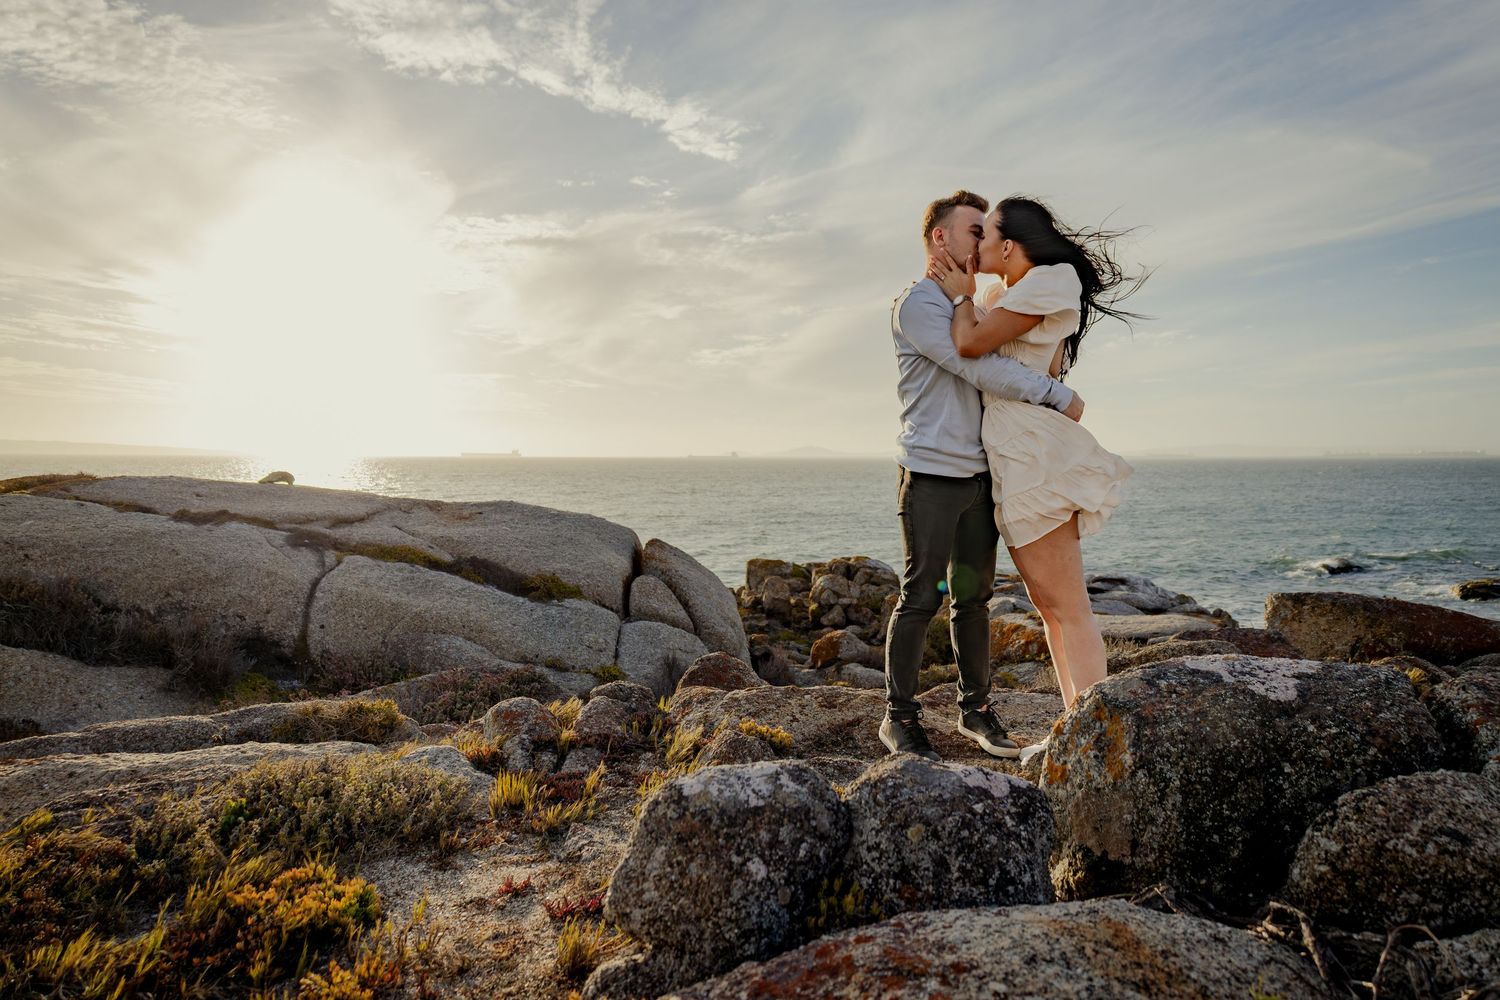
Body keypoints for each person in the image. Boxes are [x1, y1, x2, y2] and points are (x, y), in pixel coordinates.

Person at [927, 195, 1142, 760]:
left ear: (1007, 244)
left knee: (1069, 606)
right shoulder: (1002, 293)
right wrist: (970, 296)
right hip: (1011, 456)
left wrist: (960, 298)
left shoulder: (1052, 279)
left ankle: (1091, 736)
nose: (976, 246)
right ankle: (1074, 726)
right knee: (1048, 606)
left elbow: (970, 344)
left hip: (1037, 456)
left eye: (985, 233)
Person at [883, 191, 1083, 762]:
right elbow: (976, 363)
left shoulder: (976, 300)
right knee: (921, 596)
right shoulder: (919, 303)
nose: (983, 240)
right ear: (939, 238)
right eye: (974, 230)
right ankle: (898, 718)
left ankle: (977, 712)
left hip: (981, 475)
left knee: (972, 600)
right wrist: (1055, 395)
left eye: (986, 231)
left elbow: (1011, 350)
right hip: (931, 473)